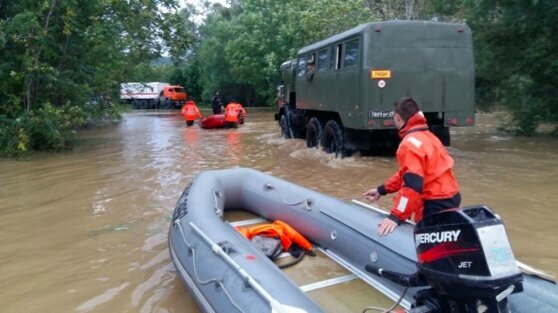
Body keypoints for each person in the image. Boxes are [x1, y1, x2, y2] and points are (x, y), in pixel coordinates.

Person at [363, 97, 461, 236]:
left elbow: (412, 186)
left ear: (397, 117)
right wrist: (382, 189)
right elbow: (408, 174)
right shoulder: (428, 136)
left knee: (424, 248)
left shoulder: (409, 144)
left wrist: (396, 216)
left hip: (433, 204)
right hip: (451, 197)